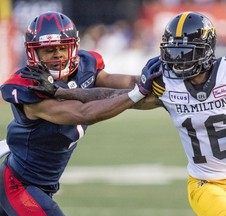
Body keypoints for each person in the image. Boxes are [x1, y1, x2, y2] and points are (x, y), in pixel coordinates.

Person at [24, 12, 226, 216]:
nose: (178, 60)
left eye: (186, 53)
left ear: (206, 52)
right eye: (173, 52)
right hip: (205, 185)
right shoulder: (168, 87)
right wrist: (61, 93)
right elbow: (107, 95)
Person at [0, 11, 161, 216]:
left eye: (62, 48)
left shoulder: (86, 66)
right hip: (19, 184)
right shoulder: (28, 87)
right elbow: (82, 112)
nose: (57, 55)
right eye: (48, 50)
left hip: (40, 184)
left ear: (73, 48)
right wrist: (139, 92)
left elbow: (126, 85)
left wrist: (166, 90)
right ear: (34, 54)